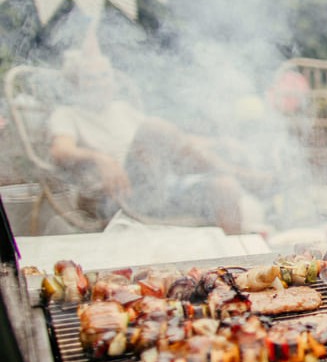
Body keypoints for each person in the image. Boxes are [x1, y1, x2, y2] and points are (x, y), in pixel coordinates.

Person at [47, 48, 268, 235]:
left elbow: (174, 141)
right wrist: (99, 157)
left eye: (105, 75)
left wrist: (218, 142)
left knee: (224, 186)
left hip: (156, 190)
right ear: (76, 83)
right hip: (115, 197)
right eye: (90, 77)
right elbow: (60, 150)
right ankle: (239, 175)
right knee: (153, 128)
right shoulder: (67, 114)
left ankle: (236, 270)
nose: (100, 82)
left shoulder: (122, 110)